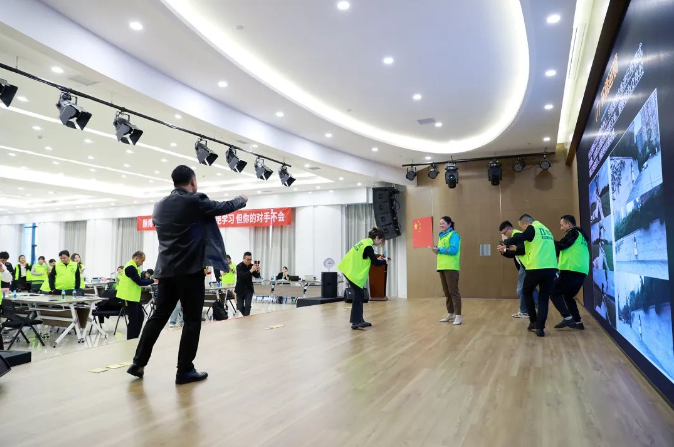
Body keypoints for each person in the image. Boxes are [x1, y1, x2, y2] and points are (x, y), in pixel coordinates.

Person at [128, 165, 247, 384]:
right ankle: (184, 370)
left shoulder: (159, 206)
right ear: (193, 181)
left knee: (158, 316)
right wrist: (242, 199)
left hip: (165, 271)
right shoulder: (195, 200)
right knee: (192, 320)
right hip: (190, 271)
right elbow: (223, 207)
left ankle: (138, 362)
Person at [502, 214, 558, 337]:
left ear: (526, 223)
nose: (522, 230)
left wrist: (506, 242)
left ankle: (533, 321)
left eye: (522, 227)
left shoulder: (533, 227)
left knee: (526, 291)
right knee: (543, 299)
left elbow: (521, 236)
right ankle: (540, 328)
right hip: (551, 268)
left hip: (536, 267)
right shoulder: (546, 230)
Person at [338, 228, 387, 329]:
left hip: (347, 268)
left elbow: (365, 257)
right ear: (377, 237)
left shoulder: (364, 242)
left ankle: (358, 320)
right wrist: (385, 261)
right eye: (381, 241)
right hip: (350, 271)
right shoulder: (368, 246)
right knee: (359, 294)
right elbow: (375, 263)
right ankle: (357, 321)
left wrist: (376, 259)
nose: (380, 243)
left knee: (359, 294)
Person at [550, 215, 590, 331]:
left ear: (569, 224)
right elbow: (562, 250)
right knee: (568, 296)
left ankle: (568, 318)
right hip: (581, 271)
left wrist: (548, 241)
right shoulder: (581, 237)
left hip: (571, 269)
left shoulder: (573, 232)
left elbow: (561, 245)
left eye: (562, 225)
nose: (561, 228)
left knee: (553, 292)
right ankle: (578, 322)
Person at [498, 221, 539, 318]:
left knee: (521, 290)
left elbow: (522, 250)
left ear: (509, 229)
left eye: (504, 233)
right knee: (529, 289)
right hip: (525, 266)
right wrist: (504, 252)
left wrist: (506, 248)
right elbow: (515, 254)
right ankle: (537, 307)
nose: (504, 236)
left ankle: (526, 310)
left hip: (526, 266)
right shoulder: (515, 236)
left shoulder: (517, 235)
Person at [117, 251, 155, 340]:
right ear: (136, 258)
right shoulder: (130, 267)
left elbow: (141, 280)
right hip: (127, 297)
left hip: (133, 298)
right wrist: (153, 281)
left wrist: (150, 280)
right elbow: (139, 282)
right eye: (142, 260)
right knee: (133, 320)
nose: (142, 263)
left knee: (140, 317)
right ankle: (130, 340)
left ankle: (135, 338)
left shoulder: (134, 267)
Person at [434, 217, 462, 325]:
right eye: (440, 223)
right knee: (446, 292)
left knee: (453, 292)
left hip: (451, 267)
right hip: (442, 266)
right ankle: (451, 313)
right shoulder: (442, 236)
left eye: (443, 223)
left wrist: (439, 249)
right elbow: (442, 251)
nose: (441, 225)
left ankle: (458, 316)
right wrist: (436, 250)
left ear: (449, 224)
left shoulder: (453, 235)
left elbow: (453, 250)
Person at [235, 252, 260, 316]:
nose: (249, 261)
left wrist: (258, 271)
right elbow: (242, 276)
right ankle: (246, 317)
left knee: (248, 305)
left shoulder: (251, 266)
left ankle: (246, 319)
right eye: (248, 259)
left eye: (250, 259)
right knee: (240, 307)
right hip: (240, 289)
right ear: (243, 258)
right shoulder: (239, 266)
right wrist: (251, 270)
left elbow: (256, 276)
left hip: (249, 289)